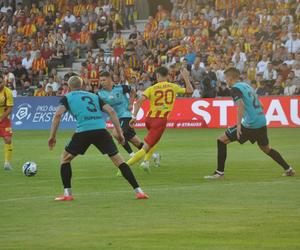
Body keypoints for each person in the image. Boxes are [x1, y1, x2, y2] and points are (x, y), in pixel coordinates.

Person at [48, 76, 149, 201]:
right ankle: (139, 191)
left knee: (65, 159)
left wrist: (52, 136)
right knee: (119, 161)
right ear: (83, 85)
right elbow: (111, 111)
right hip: (101, 130)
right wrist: (119, 133)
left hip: (83, 131)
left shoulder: (67, 97)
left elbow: (58, 115)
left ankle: (67, 194)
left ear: (68, 87)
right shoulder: (94, 96)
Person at [204, 68, 295, 179]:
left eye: (226, 78)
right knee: (266, 148)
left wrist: (238, 125)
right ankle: (288, 169)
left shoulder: (235, 89)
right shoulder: (246, 86)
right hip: (261, 121)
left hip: (251, 124)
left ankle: (219, 173)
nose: (225, 80)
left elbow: (240, 105)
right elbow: (261, 105)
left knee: (221, 140)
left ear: (230, 78)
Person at [126, 66, 193, 169]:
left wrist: (134, 116)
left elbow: (139, 101)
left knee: (154, 140)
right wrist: (186, 77)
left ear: (157, 75)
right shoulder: (173, 87)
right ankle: (125, 166)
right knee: (146, 146)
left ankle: (146, 162)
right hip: (160, 120)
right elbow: (190, 91)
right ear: (167, 75)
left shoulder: (151, 88)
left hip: (149, 119)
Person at [97, 71, 161, 174]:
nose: (102, 82)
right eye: (100, 80)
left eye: (104, 80)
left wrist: (131, 103)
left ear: (109, 79)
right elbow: (99, 106)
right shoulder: (99, 93)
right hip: (116, 118)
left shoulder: (121, 88)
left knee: (116, 133)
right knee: (135, 142)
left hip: (125, 115)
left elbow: (133, 91)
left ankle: (131, 155)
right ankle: (155, 155)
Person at [0, 72, 13, 170]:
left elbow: (9, 108)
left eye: (1, 82)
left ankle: (7, 163)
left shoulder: (7, 92)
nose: (0, 85)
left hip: (4, 119)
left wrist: (1, 118)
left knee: (8, 139)